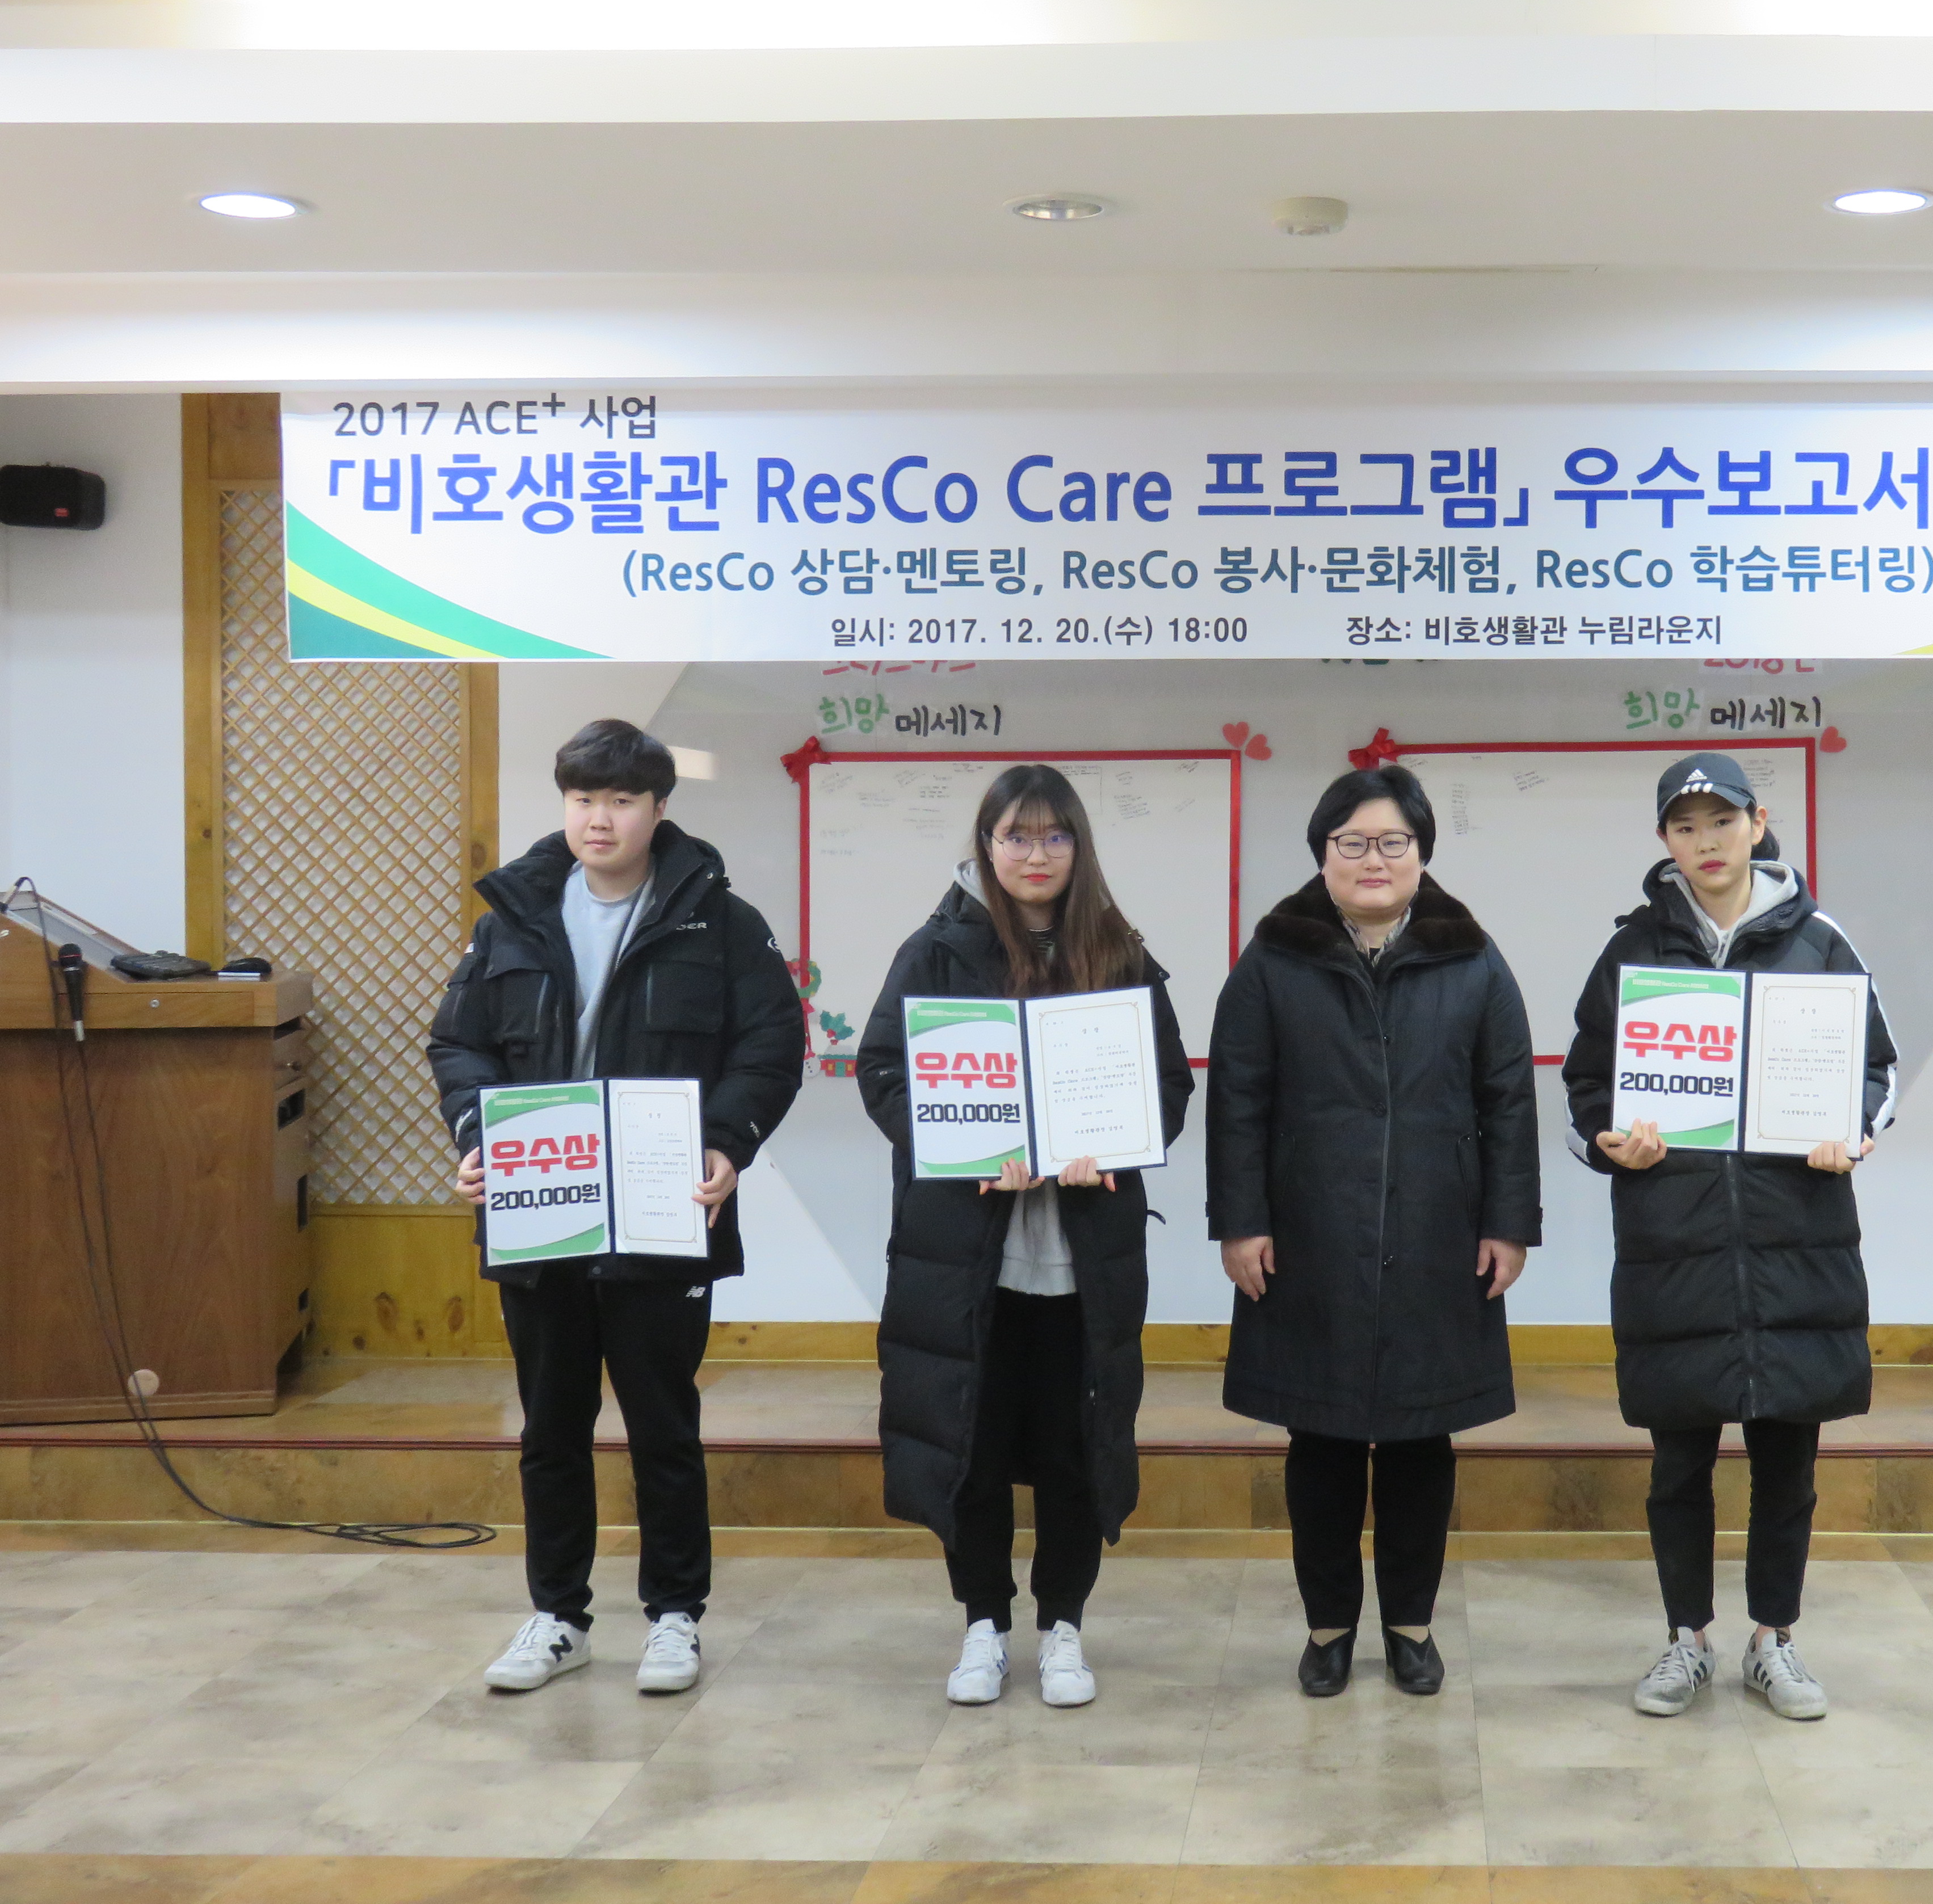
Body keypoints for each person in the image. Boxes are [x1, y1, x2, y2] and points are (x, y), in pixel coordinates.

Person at [430, 718, 804, 1697]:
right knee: (550, 1430)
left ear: (658, 809)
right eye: (583, 799)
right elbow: (460, 1044)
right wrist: (479, 1136)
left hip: (663, 1212)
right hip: (541, 1211)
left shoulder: (721, 921)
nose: (599, 819)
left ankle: (675, 1618)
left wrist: (725, 1143)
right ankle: (558, 1616)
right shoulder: (510, 918)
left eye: (622, 801)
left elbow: (771, 1045)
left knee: (662, 1427)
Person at [1561, 750, 1897, 1722]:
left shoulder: (1821, 943)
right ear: (1664, 841)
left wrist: (1853, 1131)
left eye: (1722, 821)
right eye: (1685, 826)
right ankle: (1686, 1640)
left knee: (1789, 1463)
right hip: (1675, 1245)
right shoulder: (1632, 951)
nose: (1706, 841)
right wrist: (1607, 1140)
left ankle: (1773, 1640)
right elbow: (1587, 1083)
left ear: (1758, 824)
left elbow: (1876, 1067)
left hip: (1798, 1242)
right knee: (1679, 1463)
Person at [859, 764, 1192, 1709]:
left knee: (1073, 1450)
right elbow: (884, 1073)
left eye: (1054, 836)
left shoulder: (1119, 952)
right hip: (966, 1257)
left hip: (1082, 1261)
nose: (1034, 854)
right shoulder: (934, 950)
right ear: (986, 845)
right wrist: (962, 1149)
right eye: (1015, 836)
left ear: (1079, 846)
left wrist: (1114, 1148)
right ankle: (982, 1627)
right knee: (971, 1441)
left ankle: (1063, 1630)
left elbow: (1167, 1085)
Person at [1208, 764, 1539, 1698]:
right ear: (1323, 854)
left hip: (1439, 1236)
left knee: (1420, 1444)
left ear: (1422, 853)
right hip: (1308, 1237)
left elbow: (1508, 1100)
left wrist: (1509, 1224)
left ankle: (1410, 1627)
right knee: (1318, 1442)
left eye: (1393, 841)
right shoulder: (1273, 960)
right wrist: (1240, 1223)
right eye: (1351, 842)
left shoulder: (1472, 959)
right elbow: (1238, 1100)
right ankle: (1327, 1628)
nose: (1373, 859)